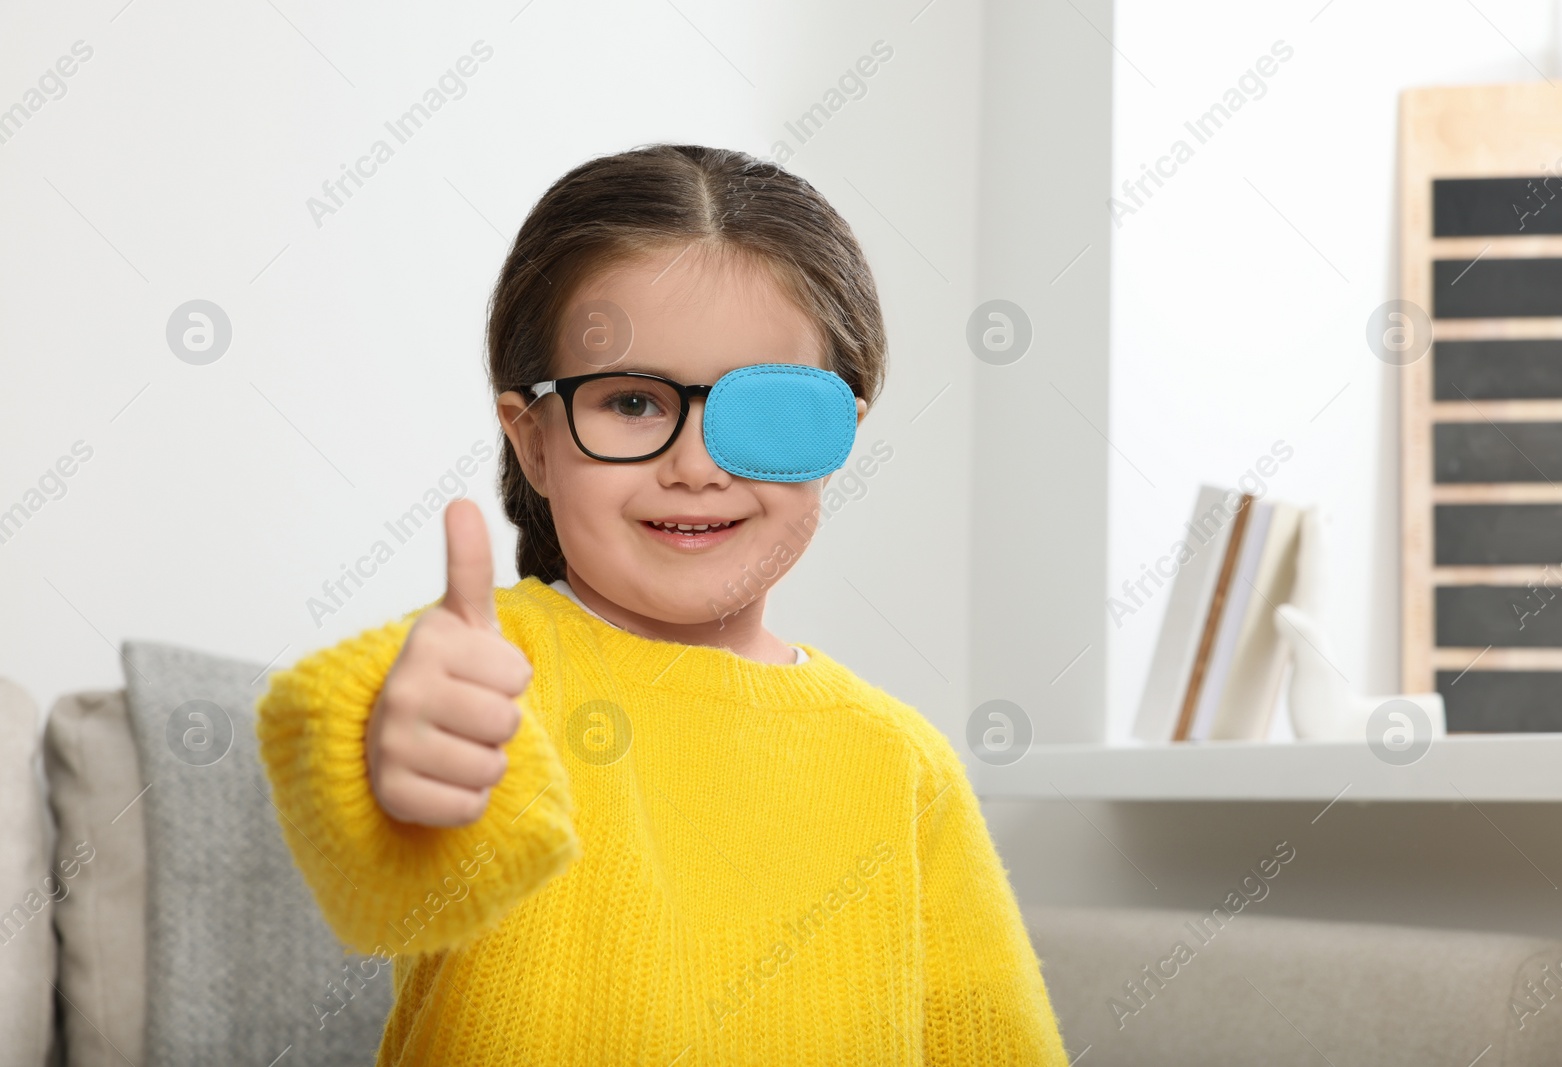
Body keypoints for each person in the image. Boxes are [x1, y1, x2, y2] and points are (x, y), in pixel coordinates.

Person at [255, 143, 1070, 1065]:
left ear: (836, 432)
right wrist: (396, 749)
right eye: (635, 402)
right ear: (535, 444)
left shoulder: (905, 763)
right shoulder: (492, 671)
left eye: (760, 408)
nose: (696, 465)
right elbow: (345, 746)